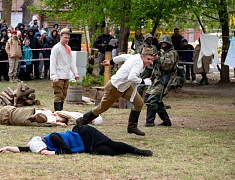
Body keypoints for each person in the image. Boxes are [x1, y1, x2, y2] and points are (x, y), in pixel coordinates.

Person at [76, 47, 154, 136]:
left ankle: (132, 127)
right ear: (142, 57)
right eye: (148, 59)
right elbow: (131, 77)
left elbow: (123, 56)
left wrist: (111, 62)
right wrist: (144, 81)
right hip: (114, 87)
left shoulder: (135, 57)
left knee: (139, 103)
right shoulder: (138, 63)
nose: (149, 61)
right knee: (102, 108)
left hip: (125, 87)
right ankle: (82, 121)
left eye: (151, 59)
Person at [0, 124, 153, 156]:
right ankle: (127, 152)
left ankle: (137, 151)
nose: (42, 152)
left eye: (42, 149)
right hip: (85, 147)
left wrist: (53, 154)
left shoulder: (52, 137)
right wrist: (7, 147)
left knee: (110, 143)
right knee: (109, 152)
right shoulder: (38, 146)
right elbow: (23, 149)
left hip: (85, 134)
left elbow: (66, 151)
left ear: (43, 143)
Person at [144, 35, 179, 127]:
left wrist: (158, 59)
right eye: (162, 43)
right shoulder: (163, 53)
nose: (163, 45)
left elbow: (168, 66)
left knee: (153, 99)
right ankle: (166, 121)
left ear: (169, 43)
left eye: (165, 43)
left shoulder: (173, 53)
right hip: (157, 79)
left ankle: (149, 122)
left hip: (165, 80)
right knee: (151, 98)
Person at [50, 28, 79, 111]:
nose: (67, 40)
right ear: (61, 37)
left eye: (68, 38)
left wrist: (75, 73)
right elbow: (53, 62)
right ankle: (57, 112)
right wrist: (53, 75)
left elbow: (71, 61)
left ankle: (60, 111)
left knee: (63, 95)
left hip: (66, 75)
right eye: (65, 38)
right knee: (58, 94)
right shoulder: (56, 48)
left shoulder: (68, 48)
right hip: (58, 75)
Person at [0, 106, 68, 127]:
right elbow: (44, 124)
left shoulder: (31, 110)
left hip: (7, 110)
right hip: (5, 117)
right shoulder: (27, 121)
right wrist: (58, 124)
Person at [136, 33, 158, 97]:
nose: (150, 40)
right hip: (145, 67)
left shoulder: (154, 47)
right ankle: (139, 96)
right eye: (148, 39)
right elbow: (138, 56)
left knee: (152, 82)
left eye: (151, 39)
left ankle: (149, 96)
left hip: (153, 67)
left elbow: (156, 55)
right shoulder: (141, 47)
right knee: (142, 82)